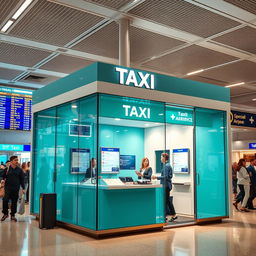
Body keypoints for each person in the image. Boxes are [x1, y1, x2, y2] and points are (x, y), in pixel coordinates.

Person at [152, 153, 177, 222]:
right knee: (167, 201)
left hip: (165, 185)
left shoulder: (166, 166)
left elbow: (165, 177)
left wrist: (156, 177)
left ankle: (165, 216)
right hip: (167, 185)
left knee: (165, 201)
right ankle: (173, 215)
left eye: (161, 157)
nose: (160, 159)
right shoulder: (167, 165)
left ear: (164, 158)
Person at [1, 156, 25, 222]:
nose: (17, 161)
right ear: (11, 161)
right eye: (15, 160)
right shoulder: (7, 169)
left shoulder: (19, 170)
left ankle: (13, 215)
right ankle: (5, 213)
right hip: (7, 188)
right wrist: (2, 180)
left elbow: (22, 179)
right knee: (5, 200)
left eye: (17, 160)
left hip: (16, 188)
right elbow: (2, 176)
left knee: (14, 202)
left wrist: (23, 188)